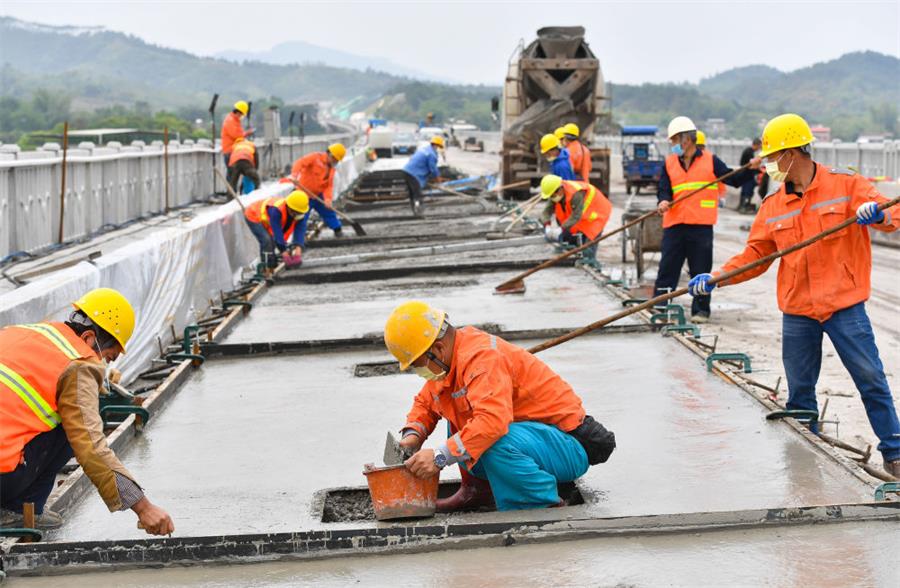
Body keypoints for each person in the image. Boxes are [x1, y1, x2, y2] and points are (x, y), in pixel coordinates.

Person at [687, 113, 900, 478]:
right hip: (798, 310)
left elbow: (893, 214)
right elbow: (756, 255)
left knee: (870, 378)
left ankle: (895, 453)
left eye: (774, 157)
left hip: (843, 304)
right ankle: (807, 459)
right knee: (800, 391)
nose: (770, 165)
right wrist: (718, 277)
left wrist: (876, 214)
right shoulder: (773, 206)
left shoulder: (846, 185)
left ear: (792, 152)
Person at [384, 301, 615, 512]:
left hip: (570, 444)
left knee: (492, 436)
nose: (418, 371)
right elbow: (427, 401)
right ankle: (479, 492)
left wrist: (439, 457)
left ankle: (539, 505)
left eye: (417, 364)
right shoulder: (452, 360)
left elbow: (492, 423)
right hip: (536, 440)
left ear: (436, 350)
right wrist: (413, 435)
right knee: (458, 411)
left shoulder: (482, 358)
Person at [0, 288, 174, 534]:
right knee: (74, 425)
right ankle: (19, 509)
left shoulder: (25, 333)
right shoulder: (79, 363)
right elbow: (90, 446)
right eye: (107, 357)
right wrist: (144, 508)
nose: (101, 364)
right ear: (90, 339)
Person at [654, 115, 759, 323]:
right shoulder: (669, 163)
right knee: (668, 267)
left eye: (675, 140)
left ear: (686, 139)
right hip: (675, 223)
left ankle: (700, 310)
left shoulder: (711, 160)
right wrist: (663, 201)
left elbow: (733, 179)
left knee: (700, 269)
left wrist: (751, 168)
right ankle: (660, 306)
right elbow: (664, 189)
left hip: (700, 226)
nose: (673, 145)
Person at [539, 174, 612, 262]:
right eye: (550, 196)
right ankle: (576, 258)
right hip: (580, 215)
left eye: (553, 196)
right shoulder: (555, 194)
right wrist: (547, 226)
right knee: (571, 239)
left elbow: (576, 216)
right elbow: (546, 212)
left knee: (588, 245)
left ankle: (589, 262)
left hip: (596, 213)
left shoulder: (576, 194)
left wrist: (561, 229)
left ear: (560, 189)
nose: (552, 198)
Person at [289, 143, 347, 238]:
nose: (335, 161)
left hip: (317, 195)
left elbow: (328, 186)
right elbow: (300, 163)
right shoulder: (315, 158)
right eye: (334, 159)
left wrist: (328, 199)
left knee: (328, 212)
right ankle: (298, 241)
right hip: (303, 195)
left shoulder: (332, 169)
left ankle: (338, 230)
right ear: (329, 154)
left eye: (337, 160)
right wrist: (294, 175)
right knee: (301, 218)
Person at [243, 190, 310, 268]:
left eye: (299, 213)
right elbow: (277, 233)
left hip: (267, 219)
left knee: (273, 242)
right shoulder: (276, 211)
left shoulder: (299, 212)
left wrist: (298, 250)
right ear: (289, 207)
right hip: (253, 214)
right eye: (295, 213)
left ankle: (272, 260)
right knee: (267, 240)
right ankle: (267, 266)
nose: (296, 215)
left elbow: (300, 231)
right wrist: (284, 253)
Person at [402, 136, 444, 217]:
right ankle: (419, 211)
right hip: (413, 174)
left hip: (406, 171)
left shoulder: (423, 149)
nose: (438, 149)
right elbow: (433, 169)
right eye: (438, 147)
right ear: (436, 145)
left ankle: (415, 211)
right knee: (417, 194)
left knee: (412, 194)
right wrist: (438, 179)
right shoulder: (432, 155)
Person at [696, 130, 727, 205]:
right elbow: (721, 179)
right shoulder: (711, 159)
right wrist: (722, 196)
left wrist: (722, 195)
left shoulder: (685, 161)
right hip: (707, 206)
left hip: (702, 206)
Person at [221, 100, 253, 167]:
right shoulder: (230, 121)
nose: (241, 117)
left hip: (234, 151)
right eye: (241, 115)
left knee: (233, 174)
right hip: (230, 151)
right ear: (238, 112)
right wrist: (247, 133)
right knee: (232, 174)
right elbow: (237, 136)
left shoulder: (235, 120)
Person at [738, 138, 763, 213]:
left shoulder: (749, 151)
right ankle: (744, 207)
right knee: (748, 191)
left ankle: (742, 206)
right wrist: (759, 169)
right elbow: (751, 165)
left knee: (745, 190)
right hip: (747, 175)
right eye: (759, 146)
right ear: (756, 145)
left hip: (745, 174)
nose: (759, 148)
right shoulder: (749, 152)